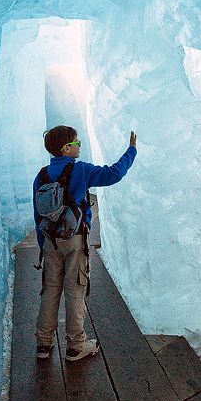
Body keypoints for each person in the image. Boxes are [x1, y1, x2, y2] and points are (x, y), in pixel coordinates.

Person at [33, 125, 137, 361]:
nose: (80, 146)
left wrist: (44, 245)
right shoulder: (80, 170)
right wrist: (131, 151)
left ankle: (43, 343)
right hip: (74, 240)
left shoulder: (41, 176)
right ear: (66, 148)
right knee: (74, 289)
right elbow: (113, 174)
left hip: (50, 241)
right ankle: (76, 345)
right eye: (77, 143)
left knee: (50, 289)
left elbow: (37, 215)